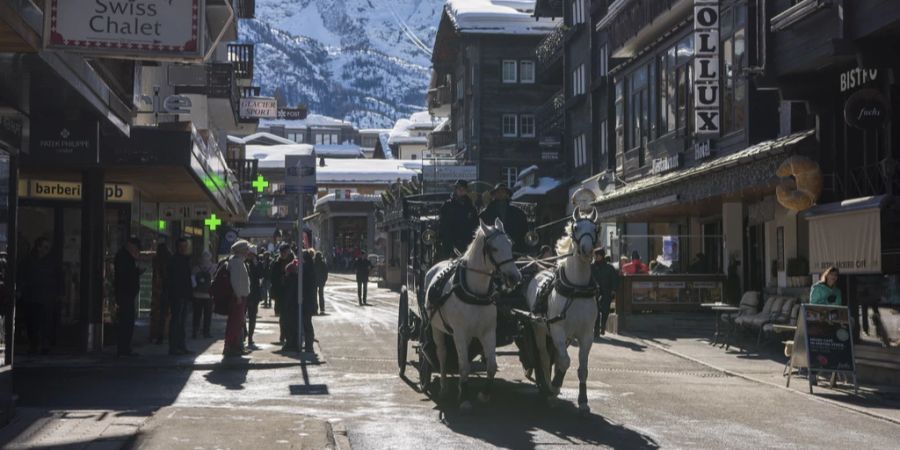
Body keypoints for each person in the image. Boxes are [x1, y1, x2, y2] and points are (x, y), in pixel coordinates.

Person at [114, 237, 143, 357]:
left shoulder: (124, 257)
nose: (136, 250)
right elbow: (125, 276)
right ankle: (123, 348)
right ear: (130, 246)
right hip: (125, 294)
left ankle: (125, 348)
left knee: (127, 321)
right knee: (126, 322)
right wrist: (136, 272)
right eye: (135, 248)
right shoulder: (124, 257)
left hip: (126, 293)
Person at [479, 183, 529, 253]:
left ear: (507, 194)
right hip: (493, 252)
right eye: (498, 192)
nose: (500, 194)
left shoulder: (518, 213)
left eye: (503, 192)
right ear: (494, 195)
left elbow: (524, 232)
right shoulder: (485, 214)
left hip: (515, 250)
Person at [166, 238, 194, 356]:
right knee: (177, 322)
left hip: (183, 295)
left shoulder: (185, 260)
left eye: (185, 246)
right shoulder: (175, 260)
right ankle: (174, 347)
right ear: (178, 247)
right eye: (182, 246)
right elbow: (173, 280)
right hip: (177, 296)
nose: (184, 248)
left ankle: (180, 346)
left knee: (181, 322)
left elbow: (187, 279)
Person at [225, 240, 252, 357]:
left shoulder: (238, 261)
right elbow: (235, 281)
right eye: (246, 249)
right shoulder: (236, 263)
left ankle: (237, 346)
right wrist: (238, 295)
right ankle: (231, 347)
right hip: (238, 297)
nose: (248, 252)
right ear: (241, 251)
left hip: (241, 296)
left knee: (239, 322)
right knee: (235, 323)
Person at [438, 180, 478, 258]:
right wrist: (449, 242)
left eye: (463, 189)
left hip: (467, 243)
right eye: (459, 189)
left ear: (466, 191)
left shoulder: (471, 207)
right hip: (451, 244)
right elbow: (443, 226)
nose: (461, 191)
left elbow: (475, 224)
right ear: (455, 190)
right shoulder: (447, 205)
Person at [591, 248, 620, 337]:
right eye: (595, 255)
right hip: (594, 292)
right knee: (595, 311)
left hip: (606, 292)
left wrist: (613, 290)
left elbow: (615, 279)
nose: (596, 257)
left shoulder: (609, 267)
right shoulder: (591, 267)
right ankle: (596, 330)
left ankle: (603, 326)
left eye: (598, 255)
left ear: (602, 256)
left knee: (605, 311)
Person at [270, 244, 295, 343]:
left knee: (290, 315)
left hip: (291, 292)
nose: (283, 254)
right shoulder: (276, 262)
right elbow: (272, 277)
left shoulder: (294, 261)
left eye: (285, 252)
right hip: (280, 292)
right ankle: (283, 334)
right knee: (282, 316)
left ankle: (289, 335)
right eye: (282, 252)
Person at [192, 250, 215, 339]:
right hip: (208, 295)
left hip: (197, 295)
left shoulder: (196, 268)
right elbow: (214, 281)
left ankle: (195, 331)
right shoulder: (213, 267)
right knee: (207, 315)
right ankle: (206, 332)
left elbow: (193, 281)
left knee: (197, 314)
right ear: (210, 257)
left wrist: (195, 289)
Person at [150, 243, 171, 344]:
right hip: (167, 290)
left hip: (158, 290)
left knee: (157, 314)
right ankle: (165, 333)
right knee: (166, 313)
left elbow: (156, 276)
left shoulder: (156, 260)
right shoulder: (169, 259)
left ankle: (157, 335)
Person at [245, 246, 264, 348]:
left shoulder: (258, 264)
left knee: (252, 317)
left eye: (252, 254)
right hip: (244, 292)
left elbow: (261, 276)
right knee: (242, 316)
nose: (250, 256)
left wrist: (256, 265)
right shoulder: (244, 263)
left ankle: (250, 337)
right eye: (249, 254)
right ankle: (244, 333)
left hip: (254, 294)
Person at [301, 251, 318, 353]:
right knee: (307, 322)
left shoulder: (307, 269)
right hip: (310, 301)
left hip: (307, 301)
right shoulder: (311, 267)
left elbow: (306, 285)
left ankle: (309, 345)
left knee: (307, 323)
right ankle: (308, 344)